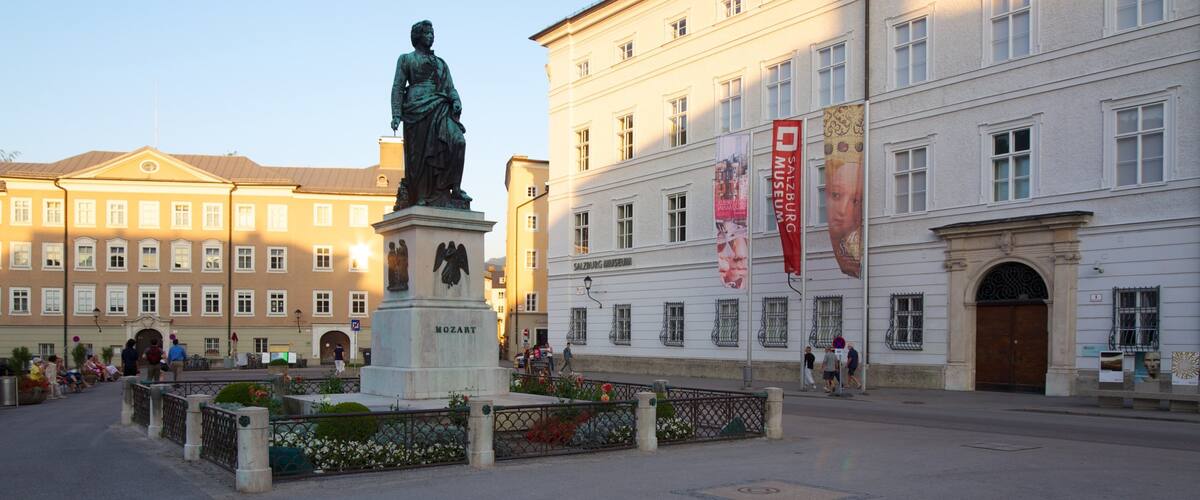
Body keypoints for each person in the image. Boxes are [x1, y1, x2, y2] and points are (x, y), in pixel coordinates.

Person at [390, 20, 471, 208]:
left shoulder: (441, 63)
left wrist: (456, 100)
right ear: (417, 36)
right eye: (427, 33)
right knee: (420, 155)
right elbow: (398, 87)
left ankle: (454, 188)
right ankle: (421, 194)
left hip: (441, 106)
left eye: (432, 33)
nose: (431, 36)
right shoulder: (406, 59)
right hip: (416, 109)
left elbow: (450, 87)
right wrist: (396, 113)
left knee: (458, 141)